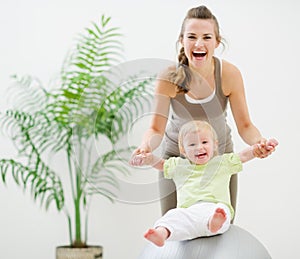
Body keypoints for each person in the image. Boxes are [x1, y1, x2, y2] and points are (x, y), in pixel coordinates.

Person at [130, 5, 277, 219]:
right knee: (174, 227)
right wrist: (144, 147)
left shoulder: (229, 74)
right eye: (192, 37)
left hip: (220, 162)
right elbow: (155, 128)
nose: (199, 44)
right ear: (182, 40)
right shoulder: (168, 78)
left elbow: (245, 126)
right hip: (177, 162)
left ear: (217, 42)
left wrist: (259, 143)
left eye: (207, 37)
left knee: (221, 225)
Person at [130, 120, 278, 247]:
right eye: (192, 144)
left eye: (205, 142)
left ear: (215, 145)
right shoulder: (179, 166)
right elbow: (161, 164)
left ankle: (214, 223)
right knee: (172, 216)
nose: (199, 147)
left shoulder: (223, 163)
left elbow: (245, 155)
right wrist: (147, 159)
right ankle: (161, 234)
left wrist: (260, 147)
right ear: (183, 150)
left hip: (214, 207)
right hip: (188, 212)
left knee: (223, 211)